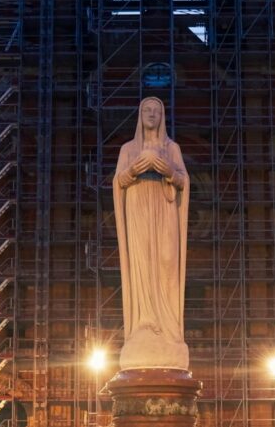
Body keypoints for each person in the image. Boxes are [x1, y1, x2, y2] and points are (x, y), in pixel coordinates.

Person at [113, 97, 190, 370]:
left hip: (165, 208)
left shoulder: (172, 148)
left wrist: (168, 171)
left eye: (157, 110)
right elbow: (119, 181)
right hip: (138, 209)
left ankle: (169, 330)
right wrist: (134, 170)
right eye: (147, 110)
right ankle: (143, 325)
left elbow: (183, 181)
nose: (152, 114)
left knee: (167, 261)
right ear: (140, 115)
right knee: (143, 265)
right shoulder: (128, 149)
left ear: (162, 116)